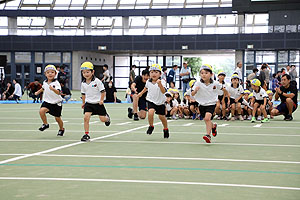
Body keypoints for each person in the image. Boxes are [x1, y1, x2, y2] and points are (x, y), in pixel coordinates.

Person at [80, 61, 111, 142]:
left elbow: (103, 91)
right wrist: (83, 103)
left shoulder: (97, 81)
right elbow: (83, 94)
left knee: (103, 119)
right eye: (84, 72)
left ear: (92, 72)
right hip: (89, 104)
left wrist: (101, 100)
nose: (86, 74)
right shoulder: (83, 83)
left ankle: (107, 118)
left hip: (98, 104)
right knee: (86, 118)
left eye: (87, 72)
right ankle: (86, 134)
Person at [138, 64, 169, 138]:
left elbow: (163, 91)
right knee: (150, 112)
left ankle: (165, 129)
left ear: (160, 74)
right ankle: (151, 126)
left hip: (160, 102)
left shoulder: (162, 81)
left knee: (162, 117)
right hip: (151, 100)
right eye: (151, 72)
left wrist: (160, 84)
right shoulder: (148, 81)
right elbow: (146, 88)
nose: (153, 74)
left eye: (156, 72)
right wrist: (141, 94)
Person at [34, 65, 65, 136]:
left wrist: (53, 89)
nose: (50, 74)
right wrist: (37, 92)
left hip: (56, 103)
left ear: (55, 74)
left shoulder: (56, 83)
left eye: (52, 72)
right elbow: (43, 88)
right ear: (45, 74)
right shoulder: (45, 82)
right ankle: (45, 124)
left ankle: (61, 129)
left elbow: (59, 92)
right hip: (47, 101)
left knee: (57, 118)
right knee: (41, 111)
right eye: (48, 72)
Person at [191, 64, 219, 143]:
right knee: (207, 120)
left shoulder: (215, 83)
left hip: (211, 103)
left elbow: (223, 88)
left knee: (207, 118)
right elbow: (192, 94)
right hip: (202, 104)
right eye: (202, 73)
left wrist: (227, 94)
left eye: (206, 73)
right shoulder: (197, 83)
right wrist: (195, 91)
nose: (204, 74)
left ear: (211, 74)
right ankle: (213, 126)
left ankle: (208, 135)